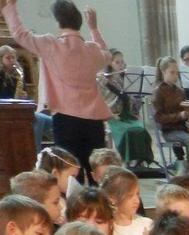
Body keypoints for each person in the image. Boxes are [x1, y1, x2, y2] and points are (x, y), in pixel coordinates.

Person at [2, 0, 111, 181]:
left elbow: (20, 34)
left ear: (58, 23)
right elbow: (106, 55)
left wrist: (10, 7)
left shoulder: (51, 45)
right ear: (79, 22)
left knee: (70, 175)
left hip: (66, 118)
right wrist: (94, 29)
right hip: (94, 120)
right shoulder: (92, 50)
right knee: (98, 173)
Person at [97, 49, 153, 166]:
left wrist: (136, 99)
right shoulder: (103, 81)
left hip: (129, 115)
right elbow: (102, 102)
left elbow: (132, 101)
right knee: (128, 132)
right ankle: (128, 160)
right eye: (117, 62)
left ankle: (140, 161)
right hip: (114, 117)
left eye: (122, 62)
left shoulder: (128, 79)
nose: (121, 65)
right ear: (110, 63)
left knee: (141, 130)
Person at [152, 56, 189, 164]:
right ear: (163, 72)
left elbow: (185, 108)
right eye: (172, 72)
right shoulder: (158, 91)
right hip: (169, 130)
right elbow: (159, 117)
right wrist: (180, 116)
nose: (175, 76)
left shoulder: (180, 91)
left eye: (177, 73)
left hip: (182, 128)